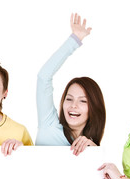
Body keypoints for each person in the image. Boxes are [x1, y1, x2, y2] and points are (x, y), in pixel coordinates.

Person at [36, 13, 106, 156]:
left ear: (93, 108)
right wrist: (74, 40)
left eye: (83, 101)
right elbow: (44, 77)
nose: (73, 105)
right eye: (69, 99)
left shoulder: (91, 146)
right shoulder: (49, 124)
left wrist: (93, 152)